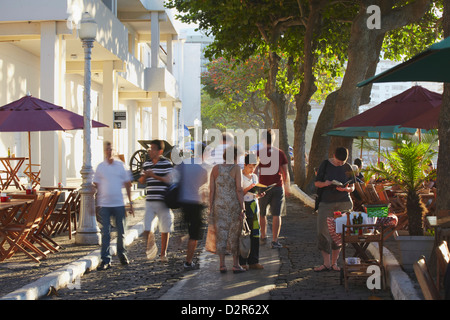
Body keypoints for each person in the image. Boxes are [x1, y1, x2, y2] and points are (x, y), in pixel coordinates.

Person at [94, 141, 134, 271]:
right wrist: (96, 203)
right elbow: (97, 185)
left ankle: (122, 254)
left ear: (114, 151)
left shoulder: (120, 166)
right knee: (105, 232)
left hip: (119, 203)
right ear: (104, 152)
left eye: (111, 149)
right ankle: (105, 259)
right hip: (105, 204)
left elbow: (128, 184)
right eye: (107, 149)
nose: (109, 151)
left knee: (121, 231)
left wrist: (131, 203)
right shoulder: (100, 167)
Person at [314, 147, 355, 272]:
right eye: (338, 162)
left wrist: (346, 189)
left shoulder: (348, 167)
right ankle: (326, 263)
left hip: (344, 202)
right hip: (326, 203)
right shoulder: (325, 164)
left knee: (339, 233)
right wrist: (325, 183)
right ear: (333, 156)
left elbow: (353, 186)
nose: (340, 164)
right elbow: (317, 183)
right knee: (323, 231)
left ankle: (334, 263)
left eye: (342, 162)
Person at [209, 145, 246, 273]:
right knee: (235, 234)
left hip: (218, 205)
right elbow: (239, 189)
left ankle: (222, 264)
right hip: (233, 205)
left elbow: (211, 191)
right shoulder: (236, 169)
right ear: (235, 156)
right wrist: (243, 207)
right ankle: (236, 265)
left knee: (221, 234)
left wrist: (210, 207)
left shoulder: (215, 169)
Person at [139, 139, 174, 262]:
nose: (150, 150)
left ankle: (163, 253)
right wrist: (145, 176)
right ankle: (152, 245)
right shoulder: (147, 163)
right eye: (150, 148)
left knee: (165, 228)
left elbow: (169, 180)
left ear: (160, 151)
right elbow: (141, 181)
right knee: (147, 227)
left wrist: (154, 176)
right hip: (150, 200)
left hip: (163, 201)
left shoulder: (166, 163)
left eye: (153, 148)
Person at [177, 142, 209, 270]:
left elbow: (175, 178)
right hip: (196, 203)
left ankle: (179, 241)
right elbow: (203, 187)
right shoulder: (203, 169)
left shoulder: (184, 164)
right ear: (204, 153)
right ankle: (188, 261)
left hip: (184, 201)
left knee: (186, 228)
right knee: (194, 235)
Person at [257, 129, 290, 249]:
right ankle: (275, 240)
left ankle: (263, 236)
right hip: (277, 187)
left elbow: (254, 171)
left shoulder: (258, 152)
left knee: (262, 213)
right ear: (273, 139)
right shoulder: (280, 153)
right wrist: (287, 187)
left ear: (263, 139)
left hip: (262, 187)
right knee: (276, 214)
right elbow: (285, 172)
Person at [239, 153, 264, 270]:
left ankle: (254, 260)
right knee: (244, 234)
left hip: (254, 205)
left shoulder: (254, 177)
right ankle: (242, 261)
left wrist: (259, 194)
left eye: (254, 167)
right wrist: (248, 189)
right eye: (250, 166)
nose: (252, 169)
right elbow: (239, 193)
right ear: (244, 165)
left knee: (255, 233)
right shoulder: (240, 176)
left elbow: (255, 194)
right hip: (244, 206)